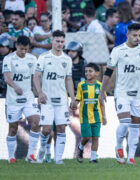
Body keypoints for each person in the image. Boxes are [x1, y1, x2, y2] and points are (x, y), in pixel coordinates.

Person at [100, 23, 140, 165]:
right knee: (125, 122)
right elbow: (108, 72)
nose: (137, 38)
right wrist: (102, 91)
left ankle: (131, 157)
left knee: (135, 126)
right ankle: (119, 146)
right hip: (122, 93)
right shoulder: (118, 51)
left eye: (139, 35)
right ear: (127, 35)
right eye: (134, 35)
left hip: (138, 95)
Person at [34, 30, 76, 164]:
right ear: (51, 41)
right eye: (57, 41)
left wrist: (73, 98)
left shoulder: (67, 59)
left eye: (62, 41)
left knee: (61, 128)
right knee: (46, 129)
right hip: (47, 100)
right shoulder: (44, 58)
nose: (60, 44)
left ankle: (58, 159)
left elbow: (68, 80)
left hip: (62, 100)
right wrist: (40, 92)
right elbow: (36, 76)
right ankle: (42, 149)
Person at [2, 36, 40, 163]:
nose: (23, 51)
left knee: (36, 122)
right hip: (13, 99)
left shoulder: (32, 59)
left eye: (26, 49)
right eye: (21, 48)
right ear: (16, 46)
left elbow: (35, 77)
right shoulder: (9, 59)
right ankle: (11, 156)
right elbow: (7, 78)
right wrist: (15, 86)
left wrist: (39, 93)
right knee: (13, 127)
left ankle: (30, 155)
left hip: (28, 97)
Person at [75, 63, 107, 163]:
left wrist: (104, 116)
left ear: (97, 73)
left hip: (97, 116)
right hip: (85, 116)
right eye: (86, 71)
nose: (87, 73)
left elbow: (102, 103)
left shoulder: (100, 86)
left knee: (96, 137)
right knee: (87, 137)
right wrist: (74, 103)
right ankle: (80, 147)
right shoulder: (81, 85)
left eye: (90, 71)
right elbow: (78, 99)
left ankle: (93, 158)